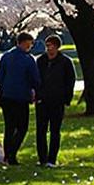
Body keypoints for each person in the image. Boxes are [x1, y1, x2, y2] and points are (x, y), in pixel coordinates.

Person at [0, 31, 41, 164]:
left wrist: (5, 86)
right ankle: (12, 153)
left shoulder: (6, 57)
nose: (30, 47)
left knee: (9, 127)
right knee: (22, 127)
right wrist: (35, 90)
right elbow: (35, 79)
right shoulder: (28, 59)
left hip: (6, 96)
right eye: (29, 44)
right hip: (21, 97)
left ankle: (7, 154)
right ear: (24, 43)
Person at [35, 32, 77, 166]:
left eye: (52, 46)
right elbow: (35, 79)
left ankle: (51, 159)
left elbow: (70, 81)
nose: (49, 48)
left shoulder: (65, 62)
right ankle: (42, 158)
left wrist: (66, 98)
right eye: (47, 46)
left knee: (55, 131)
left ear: (57, 47)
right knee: (41, 130)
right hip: (42, 100)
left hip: (57, 101)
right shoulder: (41, 61)